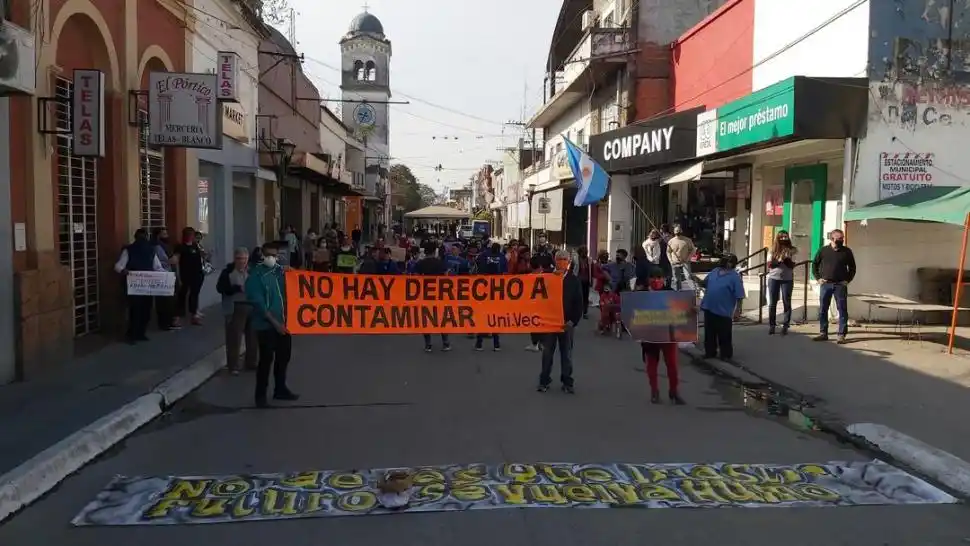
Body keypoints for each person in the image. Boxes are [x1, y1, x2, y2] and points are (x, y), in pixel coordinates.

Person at [245, 242, 299, 408]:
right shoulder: (255, 276)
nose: (272, 258)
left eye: (275, 255)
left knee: (283, 358)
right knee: (266, 360)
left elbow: (295, 288)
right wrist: (276, 324)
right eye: (268, 255)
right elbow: (260, 305)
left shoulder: (279, 272)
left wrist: (293, 274)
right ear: (262, 254)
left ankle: (280, 389)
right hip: (266, 326)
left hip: (285, 324)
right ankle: (260, 396)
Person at [537, 250, 584, 394]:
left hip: (566, 324)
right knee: (547, 355)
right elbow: (540, 301)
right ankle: (544, 381)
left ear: (569, 262)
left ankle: (567, 382)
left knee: (567, 355)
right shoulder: (548, 278)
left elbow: (579, 303)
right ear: (555, 261)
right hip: (550, 324)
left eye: (565, 259)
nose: (562, 262)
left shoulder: (574, 280)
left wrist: (572, 321)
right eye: (559, 259)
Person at [638, 267, 684, 404]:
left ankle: (674, 392)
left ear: (664, 279)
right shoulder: (641, 295)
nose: (656, 280)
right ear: (648, 279)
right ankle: (654, 391)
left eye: (659, 278)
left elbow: (680, 312)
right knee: (651, 366)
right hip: (650, 336)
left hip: (669, 335)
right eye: (653, 277)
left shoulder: (671, 293)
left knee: (673, 366)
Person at [115, 228, 167, 343]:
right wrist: (125, 271)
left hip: (147, 286)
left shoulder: (150, 251)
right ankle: (132, 334)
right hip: (133, 285)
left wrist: (165, 277)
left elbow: (157, 267)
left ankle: (140, 333)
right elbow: (119, 266)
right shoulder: (129, 250)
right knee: (135, 310)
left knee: (145, 310)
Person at [812, 229, 856, 344]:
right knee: (823, 309)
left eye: (842, 238)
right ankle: (823, 333)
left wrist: (848, 280)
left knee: (842, 309)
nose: (841, 240)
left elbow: (852, 267)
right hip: (826, 284)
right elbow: (814, 264)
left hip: (840, 284)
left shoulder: (847, 252)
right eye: (839, 238)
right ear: (832, 239)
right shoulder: (823, 251)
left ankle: (841, 334)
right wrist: (818, 278)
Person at [217, 247, 257, 375]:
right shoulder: (228, 272)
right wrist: (236, 288)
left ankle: (251, 362)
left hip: (252, 306)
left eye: (244, 259)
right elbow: (220, 288)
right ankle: (233, 365)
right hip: (235, 306)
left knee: (253, 336)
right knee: (234, 337)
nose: (242, 261)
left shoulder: (252, 270)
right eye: (239, 258)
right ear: (235, 259)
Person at [699, 254, 745, 360]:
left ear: (732, 264)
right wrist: (697, 280)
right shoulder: (715, 271)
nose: (725, 262)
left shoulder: (734, 276)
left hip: (724, 310)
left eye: (728, 261)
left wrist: (737, 311)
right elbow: (704, 283)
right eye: (725, 260)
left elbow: (739, 295)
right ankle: (710, 352)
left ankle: (726, 354)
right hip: (709, 307)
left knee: (724, 334)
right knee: (709, 333)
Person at [412, 250, 452, 352]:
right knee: (441, 318)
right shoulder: (440, 262)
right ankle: (445, 343)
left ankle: (428, 344)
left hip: (425, 294)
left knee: (425, 318)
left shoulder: (420, 263)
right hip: (439, 294)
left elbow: (415, 276)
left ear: (425, 252)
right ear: (435, 252)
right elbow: (447, 275)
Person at [475, 243, 508, 351]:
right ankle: (496, 344)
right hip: (497, 291)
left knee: (483, 317)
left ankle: (479, 343)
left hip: (483, 290)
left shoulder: (483, 255)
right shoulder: (502, 258)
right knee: (494, 318)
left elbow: (477, 266)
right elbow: (505, 272)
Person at [767, 230, 798, 336]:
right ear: (778, 238)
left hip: (787, 279)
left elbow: (793, 264)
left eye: (786, 237)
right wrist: (779, 260)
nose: (784, 239)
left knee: (787, 301)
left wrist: (787, 259)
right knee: (773, 302)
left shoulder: (792, 250)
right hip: (774, 278)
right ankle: (772, 325)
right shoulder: (773, 249)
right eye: (781, 237)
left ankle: (785, 325)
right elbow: (769, 264)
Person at [173, 227, 205, 325]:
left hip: (197, 274)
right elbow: (176, 261)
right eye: (188, 234)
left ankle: (194, 315)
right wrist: (177, 276)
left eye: (191, 234)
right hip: (185, 275)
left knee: (194, 295)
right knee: (182, 295)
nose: (190, 237)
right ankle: (178, 317)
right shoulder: (180, 247)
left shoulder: (196, 246)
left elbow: (201, 257)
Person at [150, 227, 180, 330]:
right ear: (158, 235)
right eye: (164, 234)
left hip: (169, 275)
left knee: (169, 300)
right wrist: (172, 259)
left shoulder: (165, 246)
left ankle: (168, 322)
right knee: (165, 301)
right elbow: (164, 261)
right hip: (163, 276)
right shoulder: (157, 247)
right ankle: (165, 323)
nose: (167, 236)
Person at [666, 225, 695, 289]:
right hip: (675, 262)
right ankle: (678, 292)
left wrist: (688, 258)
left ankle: (693, 291)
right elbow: (668, 252)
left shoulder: (687, 240)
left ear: (681, 231)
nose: (677, 231)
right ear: (674, 232)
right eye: (676, 230)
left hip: (685, 262)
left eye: (679, 230)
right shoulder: (671, 241)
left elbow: (693, 250)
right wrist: (671, 261)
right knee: (677, 279)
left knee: (688, 277)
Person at [574, 246, 592, 319]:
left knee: (585, 297)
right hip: (578, 281)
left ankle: (585, 312)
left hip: (586, 281)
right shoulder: (576, 259)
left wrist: (591, 280)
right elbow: (572, 270)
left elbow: (591, 270)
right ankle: (577, 311)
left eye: (586, 252)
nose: (585, 253)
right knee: (578, 297)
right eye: (584, 252)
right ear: (580, 252)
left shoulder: (589, 259)